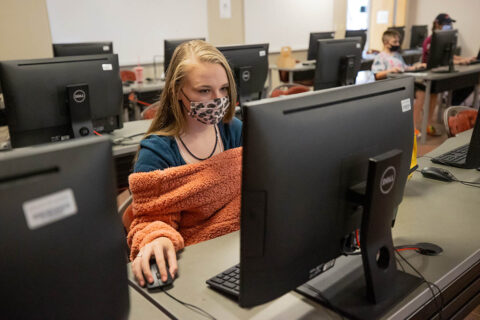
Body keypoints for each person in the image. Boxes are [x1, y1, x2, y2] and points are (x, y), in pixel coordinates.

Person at [128, 40, 242, 287]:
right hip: (194, 262)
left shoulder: (234, 130)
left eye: (224, 89)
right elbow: (149, 220)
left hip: (238, 248)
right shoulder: (157, 151)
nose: (218, 99)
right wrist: (157, 238)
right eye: (204, 91)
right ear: (178, 91)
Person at [416, 13, 477, 136]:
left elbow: (448, 56)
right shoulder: (431, 40)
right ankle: (415, 128)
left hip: (437, 74)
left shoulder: (443, 38)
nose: (448, 26)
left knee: (433, 99)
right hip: (425, 75)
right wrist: (459, 61)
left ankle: (428, 124)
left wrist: (462, 59)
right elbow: (438, 59)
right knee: (421, 100)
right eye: (445, 24)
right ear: (437, 24)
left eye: (449, 23)